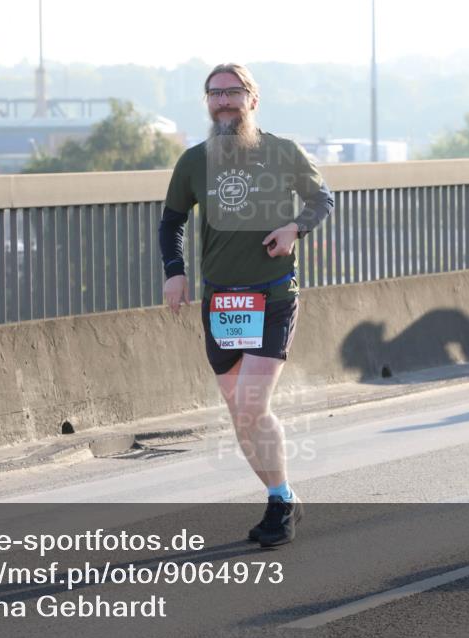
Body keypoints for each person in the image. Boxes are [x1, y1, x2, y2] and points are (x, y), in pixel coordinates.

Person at [159, 63, 334, 547]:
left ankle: (279, 505)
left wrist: (294, 228)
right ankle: (284, 495)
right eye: (215, 94)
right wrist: (175, 271)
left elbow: (322, 199)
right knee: (240, 411)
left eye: (233, 93)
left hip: (272, 294)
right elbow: (171, 221)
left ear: (252, 100)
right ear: (207, 103)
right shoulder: (194, 162)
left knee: (254, 403)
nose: (224, 102)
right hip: (221, 302)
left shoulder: (282, 152)